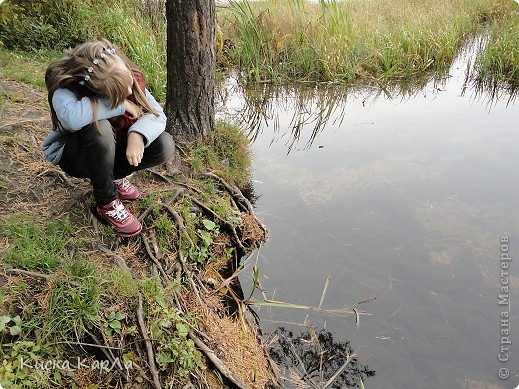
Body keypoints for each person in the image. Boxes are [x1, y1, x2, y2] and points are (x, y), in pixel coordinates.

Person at [42, 39, 174, 237]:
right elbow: (71, 119)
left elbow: (158, 115)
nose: (130, 92)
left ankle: (116, 177)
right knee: (99, 127)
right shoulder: (66, 87)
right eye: (121, 93)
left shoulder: (121, 69)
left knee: (164, 145)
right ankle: (106, 202)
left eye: (128, 83)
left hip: (111, 149)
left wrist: (138, 135)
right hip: (77, 157)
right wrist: (120, 105)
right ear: (96, 91)